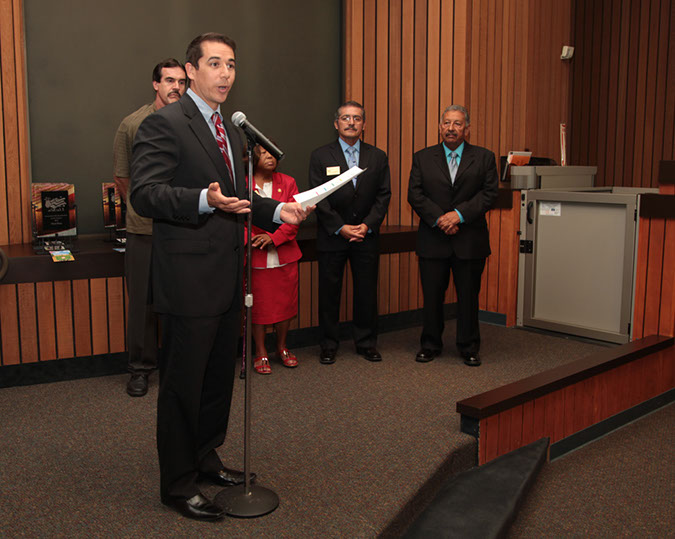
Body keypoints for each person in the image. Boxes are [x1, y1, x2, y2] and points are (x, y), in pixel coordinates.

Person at [130, 33, 312, 521]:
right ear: (191, 71)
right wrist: (201, 200)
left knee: (216, 382)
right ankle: (177, 485)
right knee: (182, 387)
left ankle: (206, 457)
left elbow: (239, 198)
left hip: (230, 277)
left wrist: (282, 211)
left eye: (231, 64)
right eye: (215, 63)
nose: (226, 73)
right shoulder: (163, 124)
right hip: (188, 282)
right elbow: (145, 195)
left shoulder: (232, 131)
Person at [113, 58, 187, 398]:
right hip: (144, 230)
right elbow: (122, 177)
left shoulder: (192, 122)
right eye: (169, 80)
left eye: (182, 81)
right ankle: (140, 369)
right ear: (156, 84)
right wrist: (148, 206)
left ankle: (181, 366)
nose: (176, 87)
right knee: (142, 303)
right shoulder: (132, 124)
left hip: (185, 230)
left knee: (182, 300)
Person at [407, 105, 498, 367]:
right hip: (433, 239)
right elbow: (415, 194)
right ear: (439, 127)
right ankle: (430, 345)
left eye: (457, 124)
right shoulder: (423, 157)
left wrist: (458, 214)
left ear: (466, 129)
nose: (451, 128)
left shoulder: (483, 157)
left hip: (469, 240)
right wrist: (440, 218)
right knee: (432, 296)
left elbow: (489, 194)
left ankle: (469, 346)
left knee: (468, 296)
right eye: (446, 123)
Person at [308, 101, 391, 365]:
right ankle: (329, 344)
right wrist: (340, 227)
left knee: (366, 292)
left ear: (364, 125)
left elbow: (383, 195)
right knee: (329, 293)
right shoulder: (320, 156)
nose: (351, 122)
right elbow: (318, 197)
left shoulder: (377, 156)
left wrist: (367, 225)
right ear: (336, 124)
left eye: (357, 118)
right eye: (346, 118)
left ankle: (366, 343)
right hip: (333, 235)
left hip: (366, 235)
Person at [247, 145, 302, 374]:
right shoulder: (242, 185)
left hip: (285, 255)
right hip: (255, 257)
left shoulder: (288, 182)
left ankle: (282, 348)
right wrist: (255, 240)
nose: (270, 156)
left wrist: (273, 237)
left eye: (273, 152)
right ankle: (260, 351)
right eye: (264, 152)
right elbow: (234, 219)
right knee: (258, 307)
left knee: (285, 305)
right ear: (250, 157)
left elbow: (295, 217)